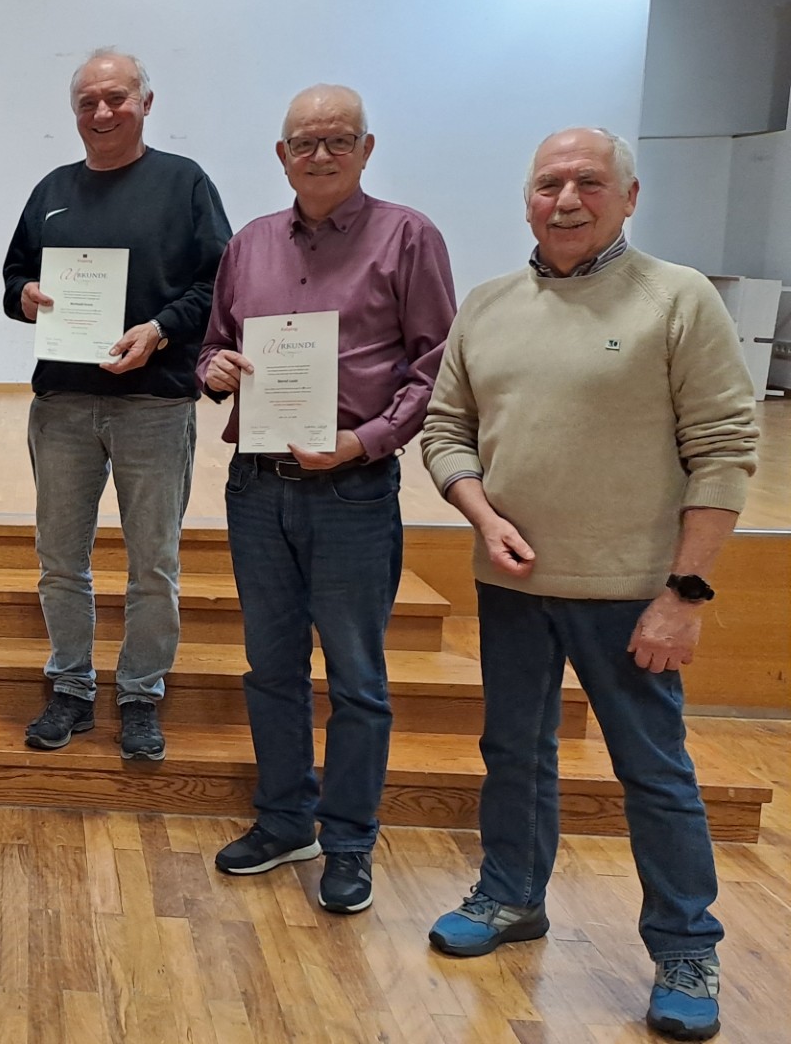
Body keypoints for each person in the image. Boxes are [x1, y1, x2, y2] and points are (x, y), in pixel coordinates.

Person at [421, 128, 758, 1042]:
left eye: (588, 182)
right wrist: (483, 518)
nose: (567, 199)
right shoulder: (487, 307)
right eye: (548, 184)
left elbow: (726, 450)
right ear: (526, 198)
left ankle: (687, 945)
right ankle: (509, 897)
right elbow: (445, 431)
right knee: (515, 756)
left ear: (629, 196)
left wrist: (683, 595)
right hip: (514, 585)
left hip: (634, 595)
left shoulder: (678, 300)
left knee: (655, 775)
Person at [196, 85, 457, 914]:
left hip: (351, 490)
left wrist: (365, 441)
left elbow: (435, 365)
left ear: (366, 148)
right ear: (281, 156)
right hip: (258, 488)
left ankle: (348, 843)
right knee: (270, 670)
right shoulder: (249, 244)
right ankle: (284, 822)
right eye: (303, 143)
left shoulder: (408, 236)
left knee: (356, 681)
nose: (318, 154)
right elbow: (211, 351)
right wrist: (215, 373)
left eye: (336, 140)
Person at [1, 48, 231, 759]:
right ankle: (69, 684)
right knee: (59, 559)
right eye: (87, 102)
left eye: (116, 98)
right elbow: (13, 278)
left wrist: (161, 331)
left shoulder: (185, 183)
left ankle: (141, 693)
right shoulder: (52, 190)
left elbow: (221, 280)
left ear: (145, 103)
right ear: (74, 113)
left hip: (155, 406)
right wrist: (25, 296)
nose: (101, 112)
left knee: (152, 562)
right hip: (64, 404)